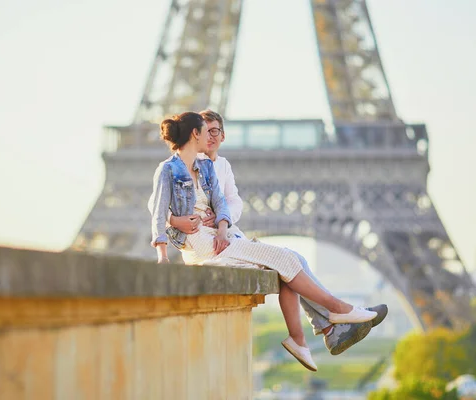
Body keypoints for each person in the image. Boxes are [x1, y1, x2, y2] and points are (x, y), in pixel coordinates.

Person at [148, 112, 379, 371]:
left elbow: (225, 202)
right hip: (198, 242)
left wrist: (223, 227)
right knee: (285, 259)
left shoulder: (209, 167)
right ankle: (336, 310)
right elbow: (156, 210)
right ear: (195, 134)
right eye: (205, 131)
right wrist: (164, 253)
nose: (210, 137)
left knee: (285, 262)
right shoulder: (168, 168)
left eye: (216, 132)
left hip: (219, 237)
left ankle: (301, 337)